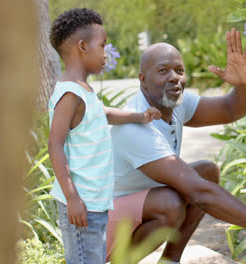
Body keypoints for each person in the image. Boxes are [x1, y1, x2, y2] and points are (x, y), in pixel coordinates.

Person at [106, 28, 246, 263]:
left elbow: (230, 109)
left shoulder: (174, 104)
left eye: (179, 70)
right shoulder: (135, 124)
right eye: (163, 71)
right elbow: (199, 192)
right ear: (142, 80)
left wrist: (244, 84)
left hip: (138, 205)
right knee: (171, 203)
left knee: (206, 172)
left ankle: (170, 260)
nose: (174, 77)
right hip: (103, 225)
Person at [47, 8, 161, 264]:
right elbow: (55, 146)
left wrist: (137, 116)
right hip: (80, 204)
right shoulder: (70, 95)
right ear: (82, 47)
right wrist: (72, 197)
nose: (106, 53)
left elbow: (102, 113)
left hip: (95, 202)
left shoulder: (83, 91)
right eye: (103, 45)